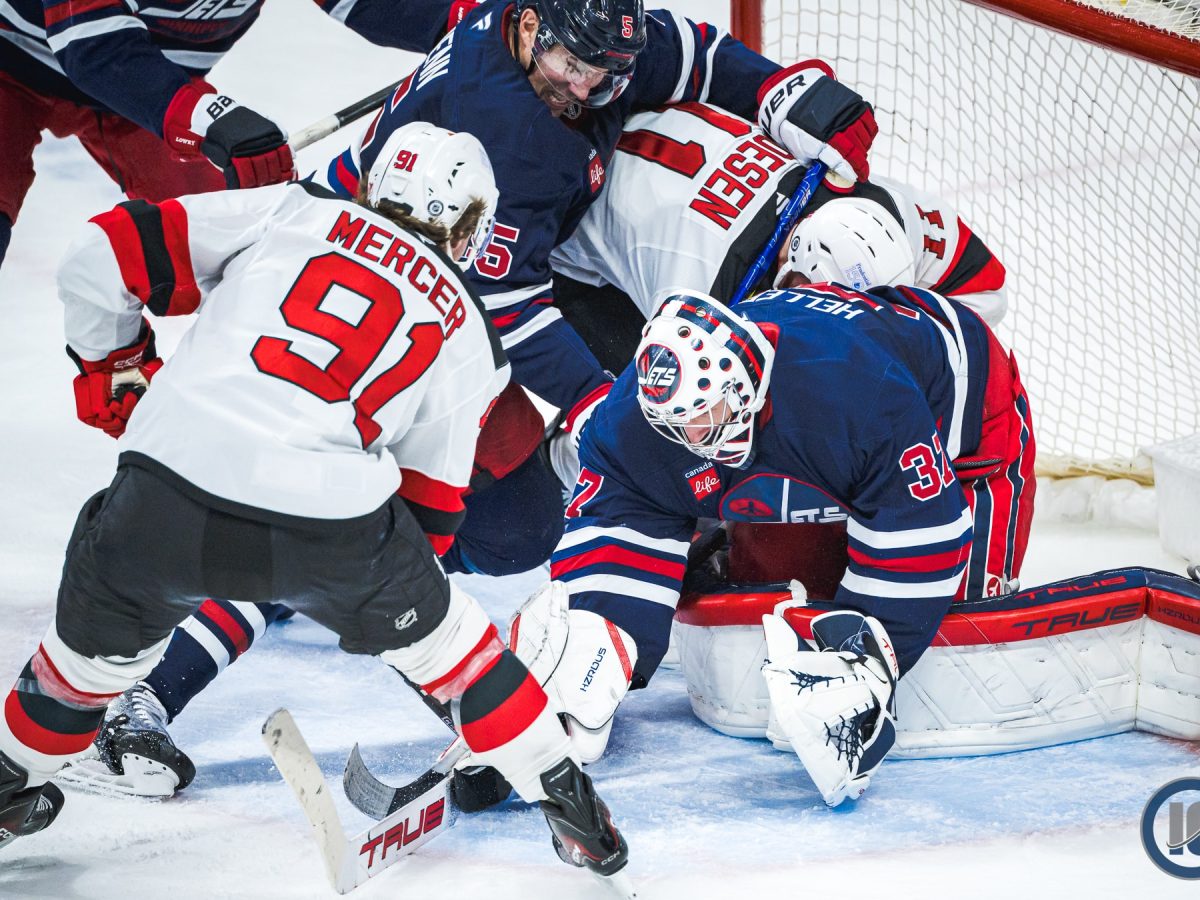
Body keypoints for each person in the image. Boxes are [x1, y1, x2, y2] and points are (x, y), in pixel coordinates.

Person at [0, 123, 631, 885]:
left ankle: (11, 779)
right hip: (333, 524)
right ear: (470, 224)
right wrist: (392, 614)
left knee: (77, 671)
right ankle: (572, 808)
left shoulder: (290, 209)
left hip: (163, 483)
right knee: (458, 654)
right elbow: (430, 513)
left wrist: (117, 370)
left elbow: (103, 252)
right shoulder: (467, 327)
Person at [508, 285, 1035, 807]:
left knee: (956, 630)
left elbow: (923, 533)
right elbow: (619, 516)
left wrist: (862, 660)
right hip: (820, 420)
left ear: (746, 387)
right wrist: (593, 639)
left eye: (706, 414)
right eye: (679, 424)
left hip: (961, 402)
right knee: (782, 592)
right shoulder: (631, 419)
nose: (695, 437)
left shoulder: (861, 391)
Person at [0, 0, 474, 270]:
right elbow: (92, 45)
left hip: (151, 84)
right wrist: (212, 117)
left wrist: (462, 17)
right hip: (13, 66)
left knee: (251, 249)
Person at [551, 102, 1007, 342]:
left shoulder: (884, 208)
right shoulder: (701, 293)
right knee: (654, 444)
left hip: (641, 128)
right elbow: (655, 432)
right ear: (793, 272)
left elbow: (985, 288)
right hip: (568, 237)